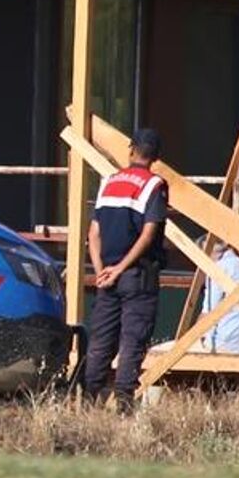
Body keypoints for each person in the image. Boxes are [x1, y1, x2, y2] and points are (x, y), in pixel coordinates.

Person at [82, 127, 169, 407]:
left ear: (131, 150)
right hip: (137, 277)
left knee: (100, 342)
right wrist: (120, 269)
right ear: (156, 156)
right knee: (132, 341)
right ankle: (123, 405)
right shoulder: (154, 185)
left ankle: (86, 402)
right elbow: (149, 233)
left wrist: (101, 271)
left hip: (106, 277)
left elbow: (93, 234)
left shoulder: (109, 182)